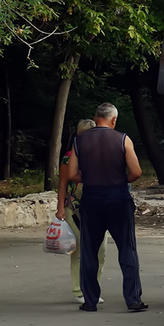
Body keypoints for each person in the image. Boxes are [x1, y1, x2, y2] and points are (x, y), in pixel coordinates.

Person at [65, 102, 148, 312]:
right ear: (113, 119)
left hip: (91, 201)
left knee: (89, 252)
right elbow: (137, 172)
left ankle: (90, 301)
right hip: (119, 200)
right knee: (127, 250)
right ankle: (133, 300)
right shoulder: (122, 139)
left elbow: (73, 174)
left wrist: (92, 178)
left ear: (96, 117)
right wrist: (121, 179)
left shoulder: (79, 141)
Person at [55, 119, 106, 304]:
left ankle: (93, 289)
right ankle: (78, 291)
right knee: (77, 249)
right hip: (74, 208)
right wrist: (60, 208)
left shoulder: (101, 154)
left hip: (98, 207)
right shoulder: (69, 157)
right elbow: (62, 184)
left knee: (101, 250)